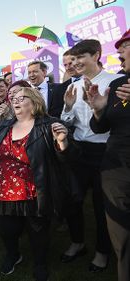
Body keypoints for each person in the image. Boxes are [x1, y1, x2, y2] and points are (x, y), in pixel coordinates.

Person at [0, 87, 75, 281]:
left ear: (35, 102)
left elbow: (65, 158)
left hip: (34, 191)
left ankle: (40, 263)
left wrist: (62, 143)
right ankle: (13, 255)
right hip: (3, 192)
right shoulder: (5, 125)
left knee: (38, 232)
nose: (15, 100)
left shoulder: (48, 125)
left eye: (22, 98)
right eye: (15, 98)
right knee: (7, 230)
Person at [60, 39, 122, 272]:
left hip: (105, 152)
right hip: (79, 151)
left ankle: (102, 252)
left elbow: (116, 121)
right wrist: (67, 108)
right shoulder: (74, 87)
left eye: (79, 58)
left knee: (100, 205)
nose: (75, 63)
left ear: (96, 55)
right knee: (73, 200)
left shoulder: (115, 82)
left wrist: (100, 108)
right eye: (72, 59)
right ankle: (77, 243)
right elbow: (68, 122)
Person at [85, 30, 130, 281]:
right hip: (117, 168)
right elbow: (100, 127)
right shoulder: (116, 85)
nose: (119, 52)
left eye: (125, 46)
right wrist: (99, 110)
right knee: (121, 232)